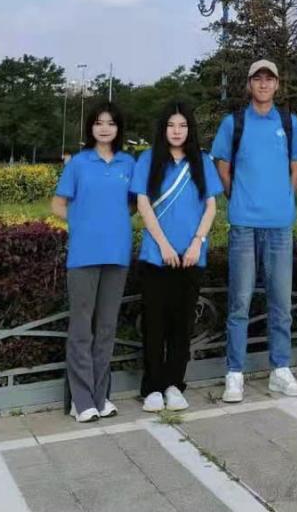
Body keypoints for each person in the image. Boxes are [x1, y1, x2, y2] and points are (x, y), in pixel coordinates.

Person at [211, 59, 297, 403]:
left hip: (280, 225)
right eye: (258, 78)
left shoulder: (289, 122)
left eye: (270, 79)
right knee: (240, 302)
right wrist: (236, 195)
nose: (264, 84)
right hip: (243, 223)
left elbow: (296, 165)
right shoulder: (234, 122)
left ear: (277, 85)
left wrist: (287, 197)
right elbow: (222, 164)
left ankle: (280, 369)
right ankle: (234, 373)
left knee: (281, 302)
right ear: (249, 84)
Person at [131, 102, 222, 412]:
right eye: (171, 125)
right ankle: (152, 387)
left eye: (182, 126)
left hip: (191, 257)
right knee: (154, 323)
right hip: (156, 256)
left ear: (189, 129)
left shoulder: (202, 161)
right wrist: (164, 246)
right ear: (163, 129)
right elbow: (143, 204)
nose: (177, 131)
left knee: (181, 325)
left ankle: (174, 384)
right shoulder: (148, 159)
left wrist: (197, 243)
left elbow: (211, 206)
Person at [51, 101, 135, 422]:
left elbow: (134, 204)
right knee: (82, 328)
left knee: (106, 328)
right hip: (84, 254)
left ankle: (101, 397)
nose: (104, 128)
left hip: (117, 253)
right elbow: (58, 204)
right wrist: (83, 223)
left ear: (118, 128)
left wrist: (113, 221)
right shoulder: (79, 163)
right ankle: (81, 399)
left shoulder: (128, 162)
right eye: (99, 122)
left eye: (111, 123)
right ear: (91, 127)